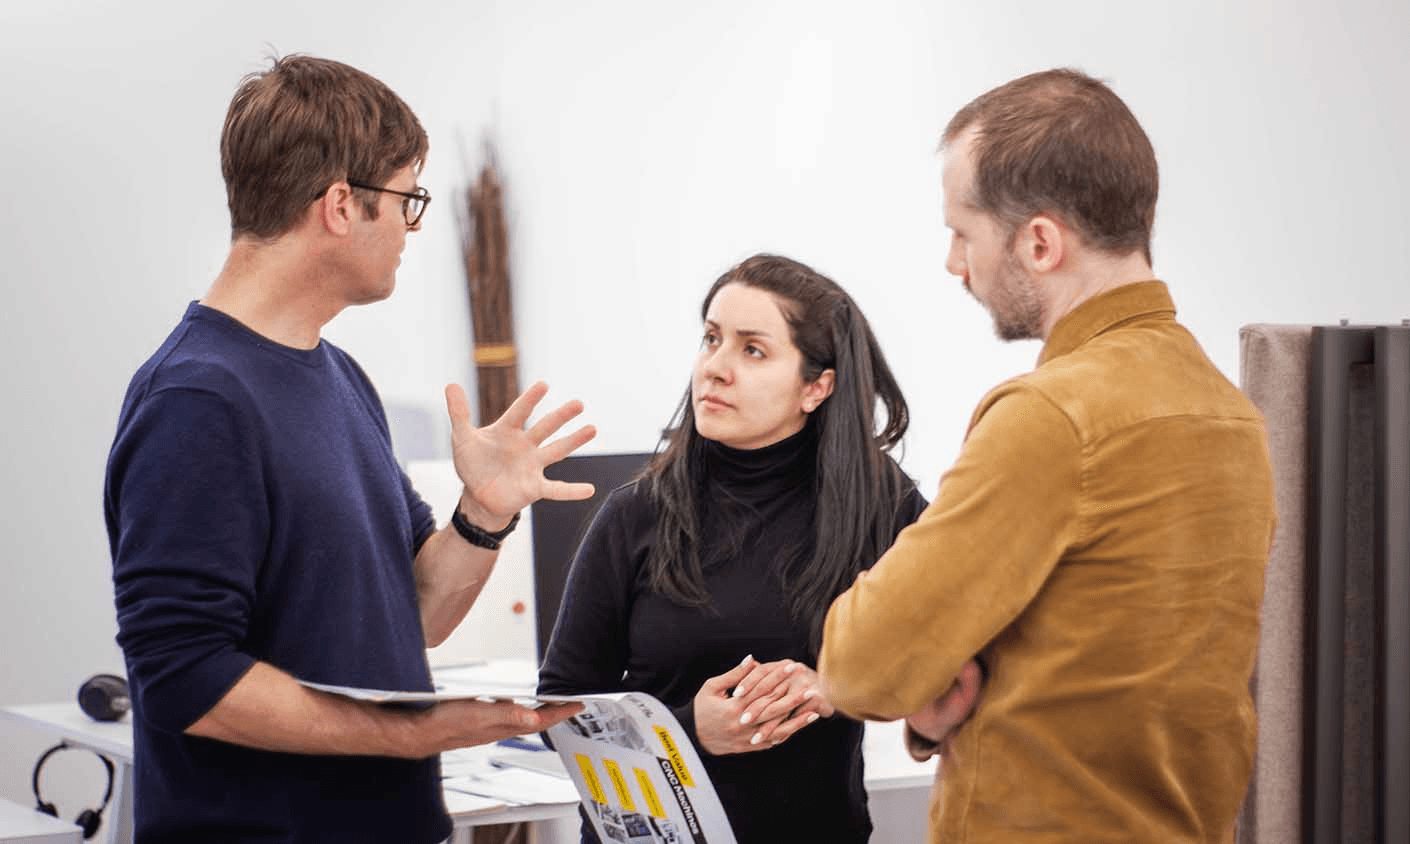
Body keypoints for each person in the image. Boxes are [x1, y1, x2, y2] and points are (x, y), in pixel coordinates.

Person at [104, 55, 592, 844]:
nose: (409, 228)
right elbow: (184, 677)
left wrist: (482, 514)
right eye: (406, 200)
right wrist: (410, 733)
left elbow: (418, 615)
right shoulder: (197, 400)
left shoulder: (338, 376)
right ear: (340, 205)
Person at [819, 68, 1278, 844]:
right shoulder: (1233, 418)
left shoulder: (1052, 417)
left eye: (963, 233)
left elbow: (860, 666)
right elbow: (1113, 676)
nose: (955, 263)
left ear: (1039, 242)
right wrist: (938, 707)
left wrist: (920, 681)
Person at [537, 254, 927, 843]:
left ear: (816, 387)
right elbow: (556, 713)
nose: (715, 369)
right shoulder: (635, 515)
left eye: (753, 350)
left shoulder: (882, 508)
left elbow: (944, 651)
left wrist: (836, 686)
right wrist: (687, 731)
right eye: (711, 339)